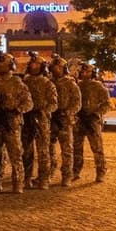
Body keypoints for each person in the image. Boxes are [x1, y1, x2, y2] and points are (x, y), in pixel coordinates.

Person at [0, 52, 32, 194]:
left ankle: (18, 182)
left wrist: (18, 110)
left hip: (12, 123)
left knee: (15, 154)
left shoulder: (17, 83)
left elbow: (28, 102)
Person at [21, 53, 57, 189]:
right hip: (27, 118)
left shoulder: (47, 83)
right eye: (32, 64)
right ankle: (26, 177)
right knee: (27, 150)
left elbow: (53, 103)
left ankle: (43, 179)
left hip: (41, 119)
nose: (34, 66)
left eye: (37, 64)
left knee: (43, 151)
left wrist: (44, 111)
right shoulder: (25, 81)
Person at [48, 55, 81, 187]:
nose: (56, 69)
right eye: (54, 67)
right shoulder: (49, 82)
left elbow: (77, 102)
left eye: (59, 67)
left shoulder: (70, 83)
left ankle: (67, 175)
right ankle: (49, 171)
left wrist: (68, 112)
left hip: (65, 120)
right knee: (48, 148)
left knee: (66, 149)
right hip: (51, 118)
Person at [74, 63, 108, 183]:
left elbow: (107, 104)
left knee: (97, 148)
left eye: (87, 72)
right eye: (83, 72)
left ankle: (101, 172)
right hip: (80, 120)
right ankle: (75, 171)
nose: (85, 74)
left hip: (93, 120)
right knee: (77, 148)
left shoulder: (98, 86)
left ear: (92, 73)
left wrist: (97, 114)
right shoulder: (77, 85)